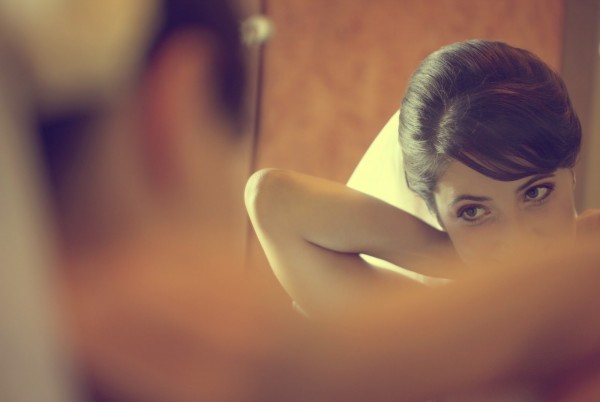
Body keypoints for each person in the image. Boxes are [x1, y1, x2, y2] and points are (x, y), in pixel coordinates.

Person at [5, 2, 600, 400]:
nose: (519, 235)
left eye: (537, 191)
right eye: (473, 210)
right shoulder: (404, 320)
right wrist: (453, 255)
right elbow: (274, 199)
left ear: (570, 171)